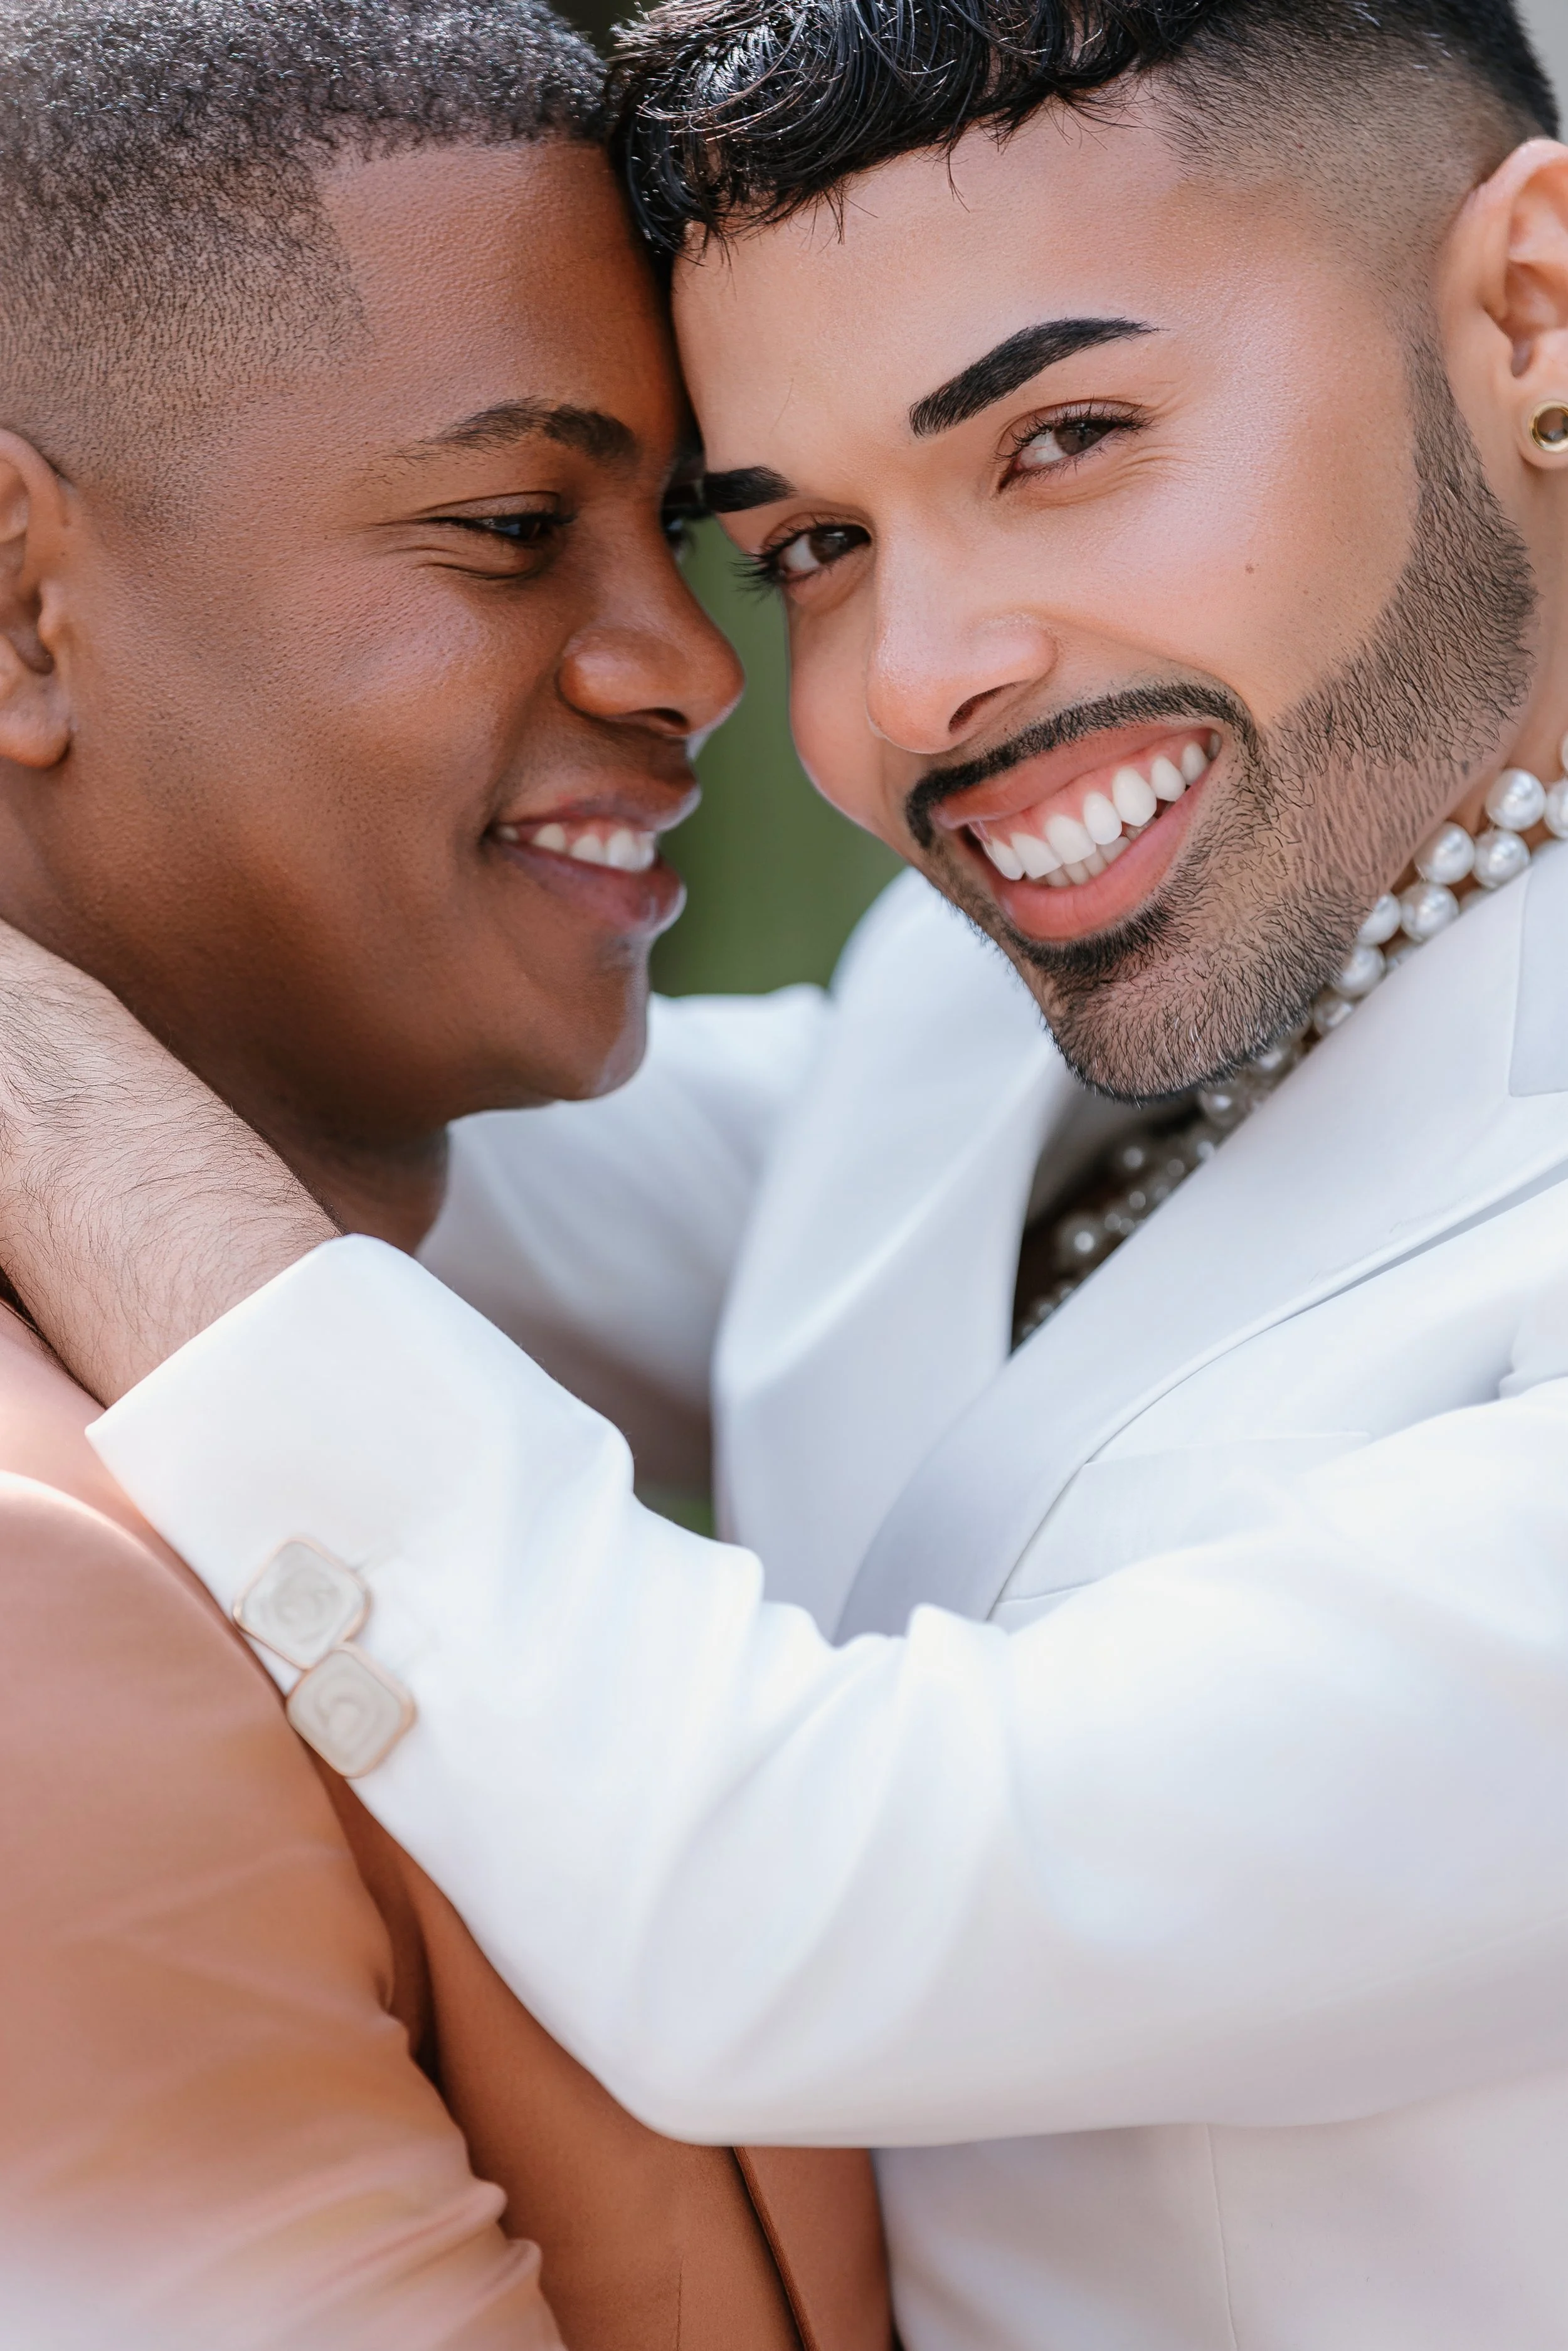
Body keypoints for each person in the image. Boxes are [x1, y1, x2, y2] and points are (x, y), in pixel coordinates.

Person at [4, 0, 1568, 2345]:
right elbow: (376, 1118)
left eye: (1061, 441)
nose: (909, 678)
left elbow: (795, 1895)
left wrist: (18, 1046)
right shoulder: (1015, 987)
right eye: (815, 544)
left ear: (1529, 311)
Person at [0, 1, 889, 2343]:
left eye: (690, 541)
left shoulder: (346, 1264)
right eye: (511, 527)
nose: (693, 668)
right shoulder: (34, 1594)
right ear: (18, 602)